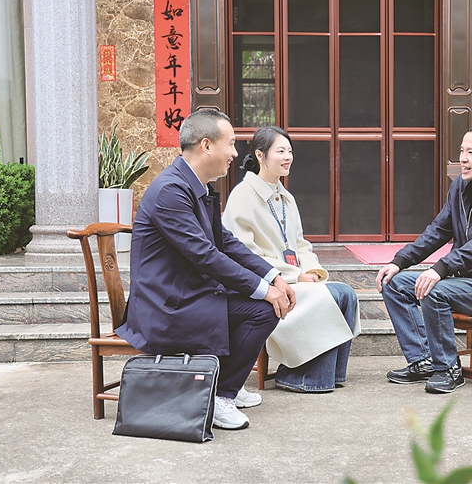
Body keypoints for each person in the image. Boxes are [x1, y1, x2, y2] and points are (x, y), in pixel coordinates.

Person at [115, 109, 297, 431]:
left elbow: (225, 242)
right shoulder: (171, 190)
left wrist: (274, 276)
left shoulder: (194, 186)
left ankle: (223, 383)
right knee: (262, 309)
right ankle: (221, 395)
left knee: (260, 304)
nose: (235, 153)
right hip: (166, 306)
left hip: (188, 295)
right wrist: (265, 290)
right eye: (231, 143)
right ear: (206, 145)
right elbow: (206, 256)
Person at [376, 124, 472, 394]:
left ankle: (448, 369)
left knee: (434, 290)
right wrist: (399, 261)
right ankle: (424, 360)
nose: (463, 159)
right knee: (394, 283)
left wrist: (441, 269)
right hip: (465, 280)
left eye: (471, 152)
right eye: (462, 151)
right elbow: (437, 231)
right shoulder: (460, 186)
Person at [222, 126, 358, 393]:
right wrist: (296, 276)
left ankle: (329, 375)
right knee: (330, 296)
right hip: (268, 283)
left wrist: (312, 270)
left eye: (290, 151)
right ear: (260, 155)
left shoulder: (286, 197)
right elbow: (245, 255)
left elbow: (300, 244)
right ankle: (302, 377)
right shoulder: (242, 195)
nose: (288, 157)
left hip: (293, 278)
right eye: (280, 151)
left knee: (346, 293)